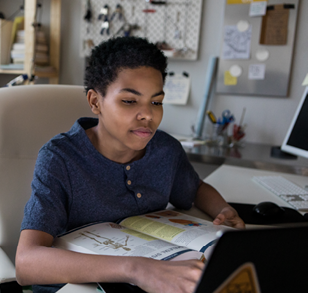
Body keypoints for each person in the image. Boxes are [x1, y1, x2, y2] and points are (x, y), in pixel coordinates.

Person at [16, 36, 244, 293]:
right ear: (95, 102)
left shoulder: (165, 149)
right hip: (80, 285)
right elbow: (26, 263)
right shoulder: (60, 158)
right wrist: (137, 269)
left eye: (156, 102)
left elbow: (195, 188)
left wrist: (224, 209)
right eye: (129, 101)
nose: (148, 114)